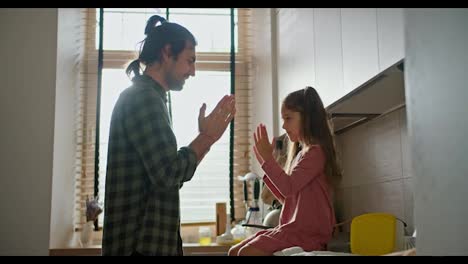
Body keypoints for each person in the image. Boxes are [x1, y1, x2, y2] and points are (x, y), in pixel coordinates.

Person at [102, 15, 236, 256]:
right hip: (139, 248)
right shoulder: (144, 99)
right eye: (190, 61)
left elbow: (169, 177)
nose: (193, 71)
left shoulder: (149, 98)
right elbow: (168, 173)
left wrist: (206, 139)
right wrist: (206, 138)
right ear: (167, 52)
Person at [228, 86, 341, 256]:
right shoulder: (301, 154)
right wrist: (264, 164)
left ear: (307, 119)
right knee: (234, 251)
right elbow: (287, 197)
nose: (283, 125)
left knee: (245, 253)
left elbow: (288, 188)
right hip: (292, 231)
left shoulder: (316, 153)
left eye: (288, 118)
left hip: (305, 234)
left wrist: (268, 160)